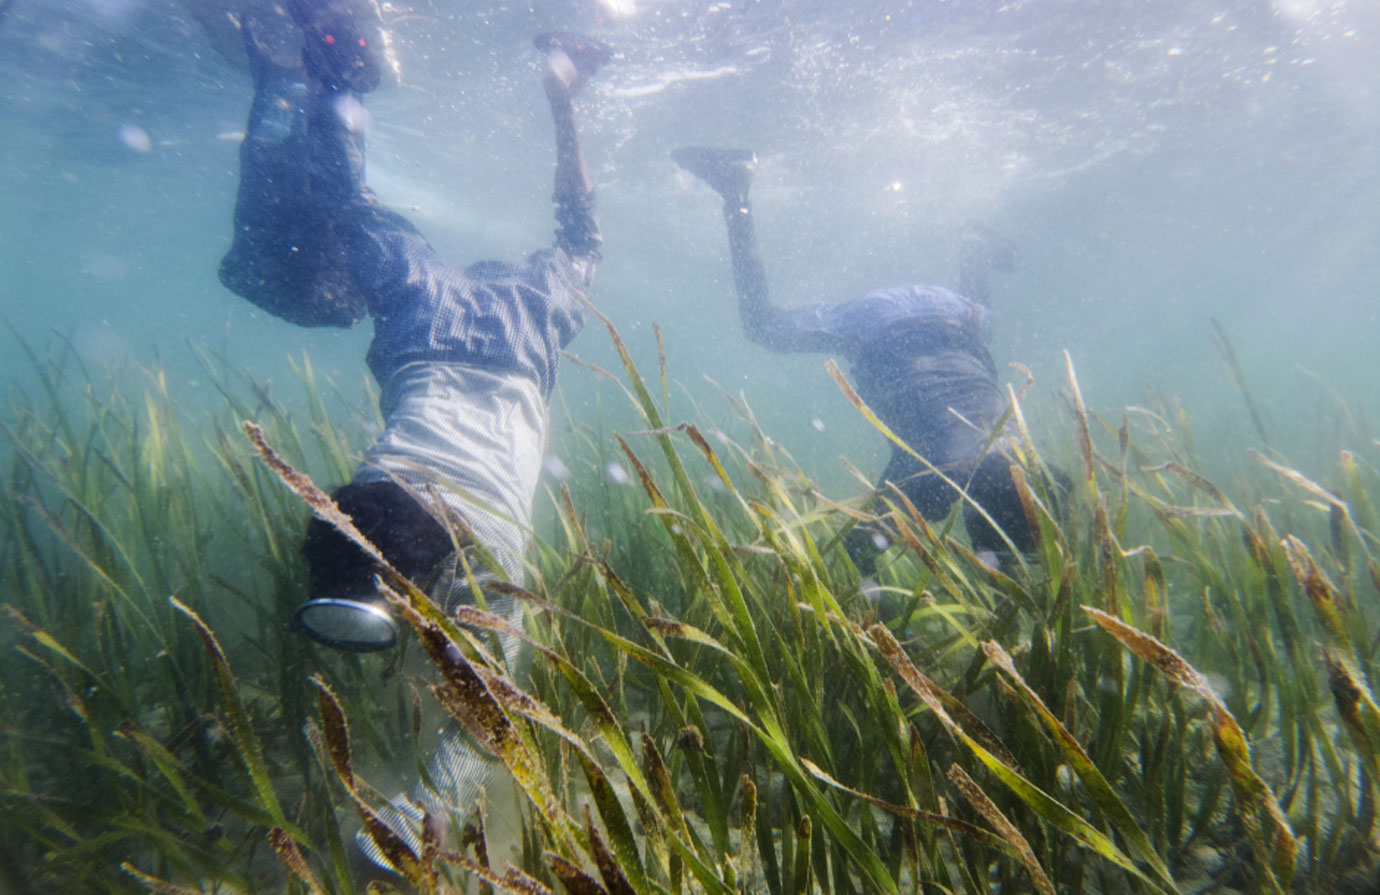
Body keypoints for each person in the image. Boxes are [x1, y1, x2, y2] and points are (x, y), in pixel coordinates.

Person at [218, 0, 610, 865]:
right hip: (422, 357)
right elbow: (486, 724)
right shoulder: (380, 490)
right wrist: (409, 819)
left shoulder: (491, 572)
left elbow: (486, 732)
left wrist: (406, 824)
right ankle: (338, 71)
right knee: (349, 200)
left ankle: (537, 82)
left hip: (473, 357)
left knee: (374, 206)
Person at [672, 146, 1040, 573]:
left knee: (982, 323)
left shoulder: (1023, 468)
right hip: (881, 326)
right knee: (763, 326)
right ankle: (734, 190)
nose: (999, 570)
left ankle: (974, 250)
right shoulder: (934, 483)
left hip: (954, 316)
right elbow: (861, 549)